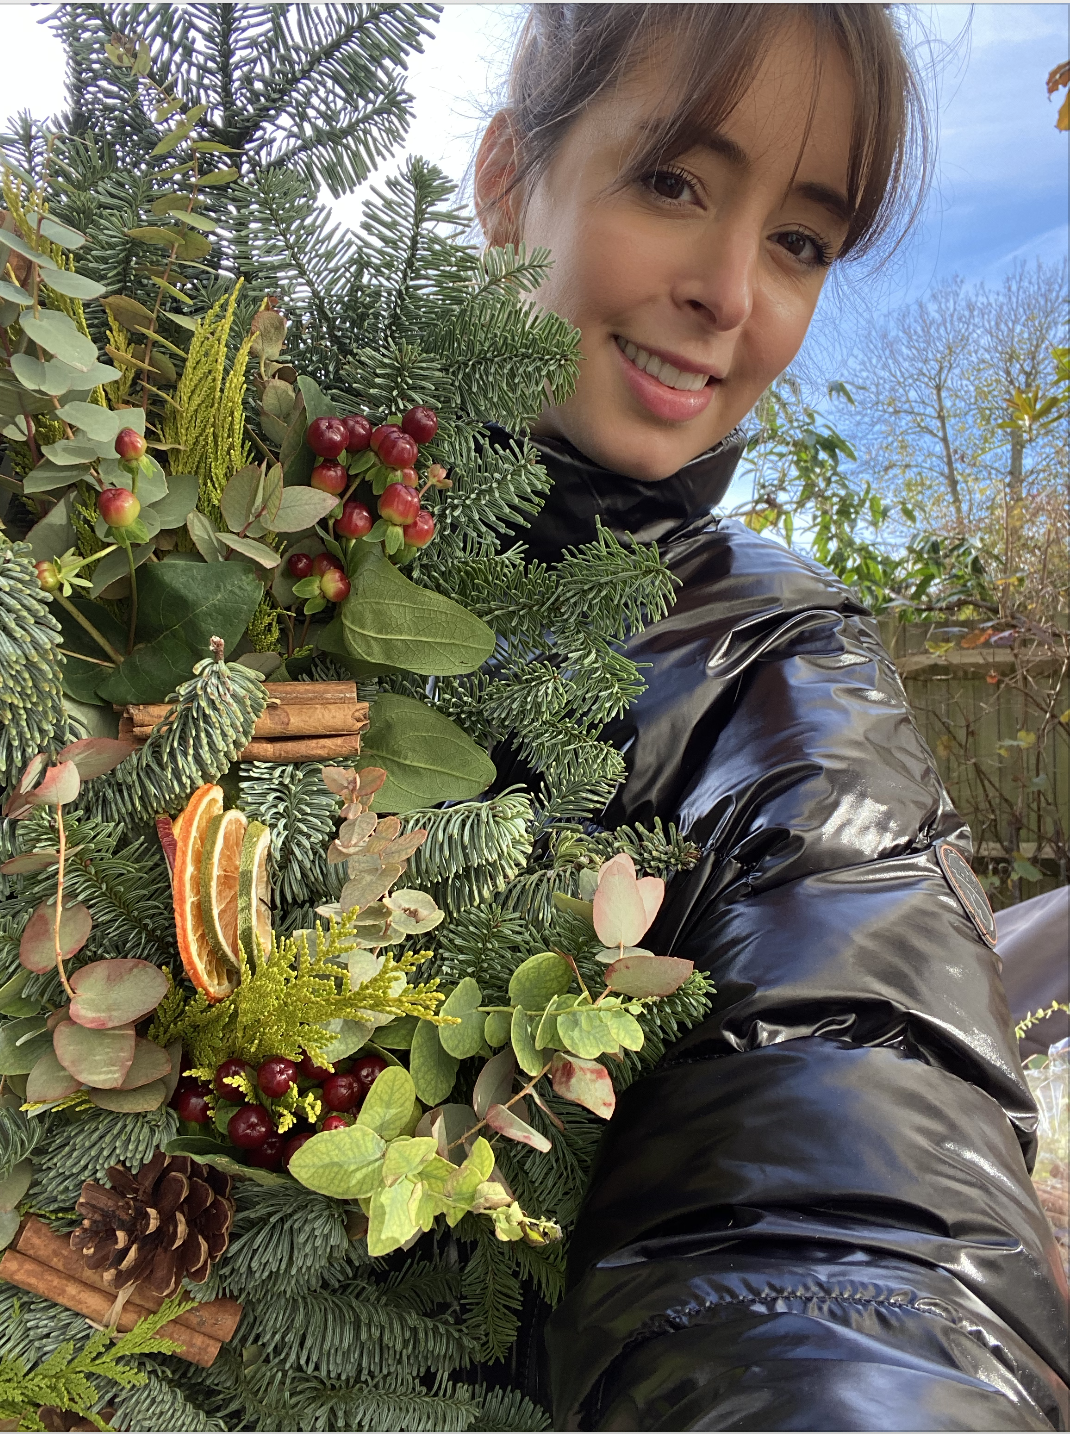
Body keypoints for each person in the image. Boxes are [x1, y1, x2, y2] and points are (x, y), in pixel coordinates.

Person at [473, 5, 1069, 1430]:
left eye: (800, 240)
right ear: (507, 180)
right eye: (673, 180)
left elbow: (854, 1143)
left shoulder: (774, 661)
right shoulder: (223, 529)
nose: (733, 292)